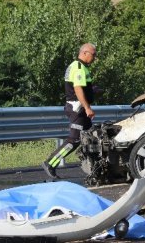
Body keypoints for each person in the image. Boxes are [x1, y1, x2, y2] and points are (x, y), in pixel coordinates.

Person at [42, 43, 102, 179]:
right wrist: (87, 107)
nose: (95, 58)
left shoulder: (77, 66)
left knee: (90, 138)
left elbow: (81, 87)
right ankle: (50, 163)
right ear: (85, 53)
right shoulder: (79, 67)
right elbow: (77, 89)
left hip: (78, 108)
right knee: (74, 140)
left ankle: (95, 169)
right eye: (94, 55)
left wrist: (93, 90)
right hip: (78, 109)